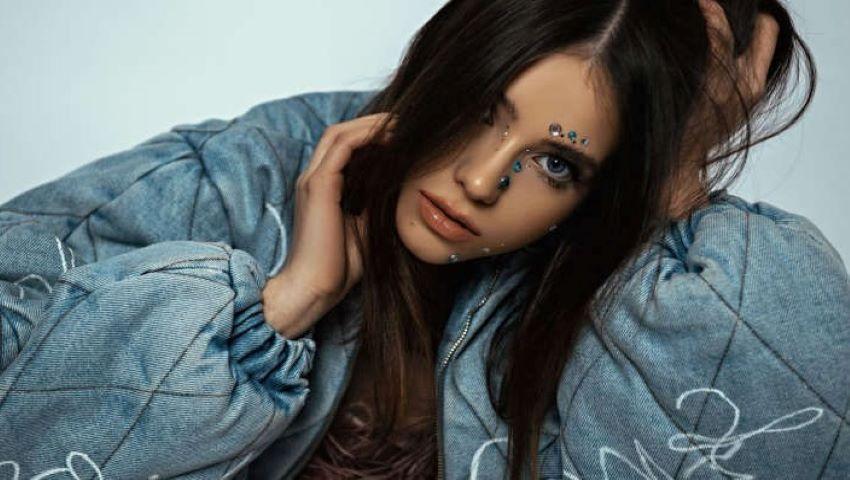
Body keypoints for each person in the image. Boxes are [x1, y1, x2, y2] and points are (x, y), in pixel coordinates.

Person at [0, 0, 846, 479]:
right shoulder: (246, 175)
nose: (480, 181)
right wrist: (284, 305)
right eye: (481, 111)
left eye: (556, 163)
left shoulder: (616, 290)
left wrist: (677, 172)